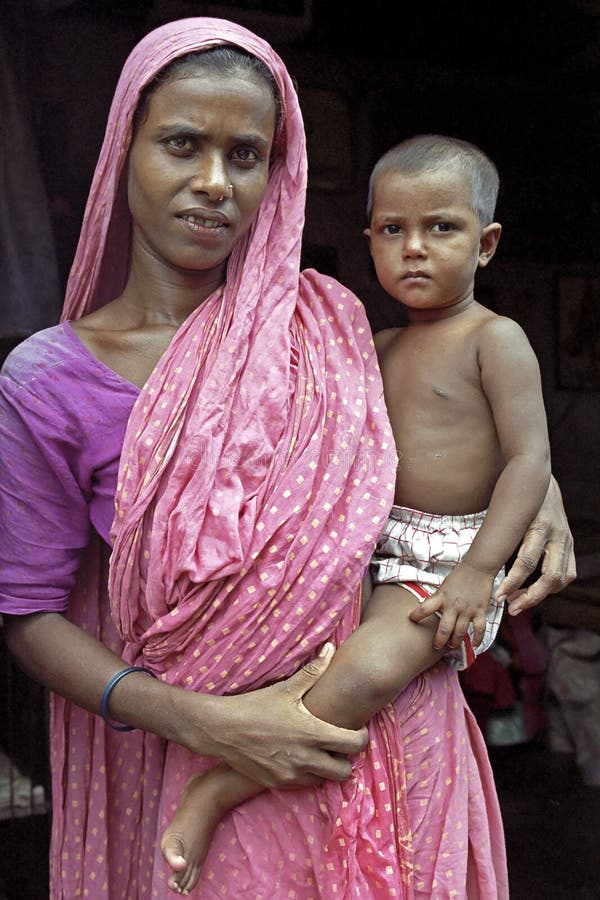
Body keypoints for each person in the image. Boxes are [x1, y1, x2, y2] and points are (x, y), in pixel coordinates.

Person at [0, 19, 575, 899]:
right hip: (212, 768)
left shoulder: (329, 325)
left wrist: (542, 496)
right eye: (182, 144)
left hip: (395, 731)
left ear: (279, 173)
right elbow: (28, 617)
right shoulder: (49, 380)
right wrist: (212, 728)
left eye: (247, 154)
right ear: (124, 151)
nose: (213, 183)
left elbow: (447, 436)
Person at [156, 133, 555, 895]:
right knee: (327, 659)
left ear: (487, 243)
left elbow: (529, 461)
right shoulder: (374, 343)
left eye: (442, 228)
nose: (415, 249)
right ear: (369, 239)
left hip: (446, 560)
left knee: (368, 672)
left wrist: (477, 572)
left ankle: (222, 787)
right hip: (373, 547)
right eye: (393, 230)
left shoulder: (495, 341)